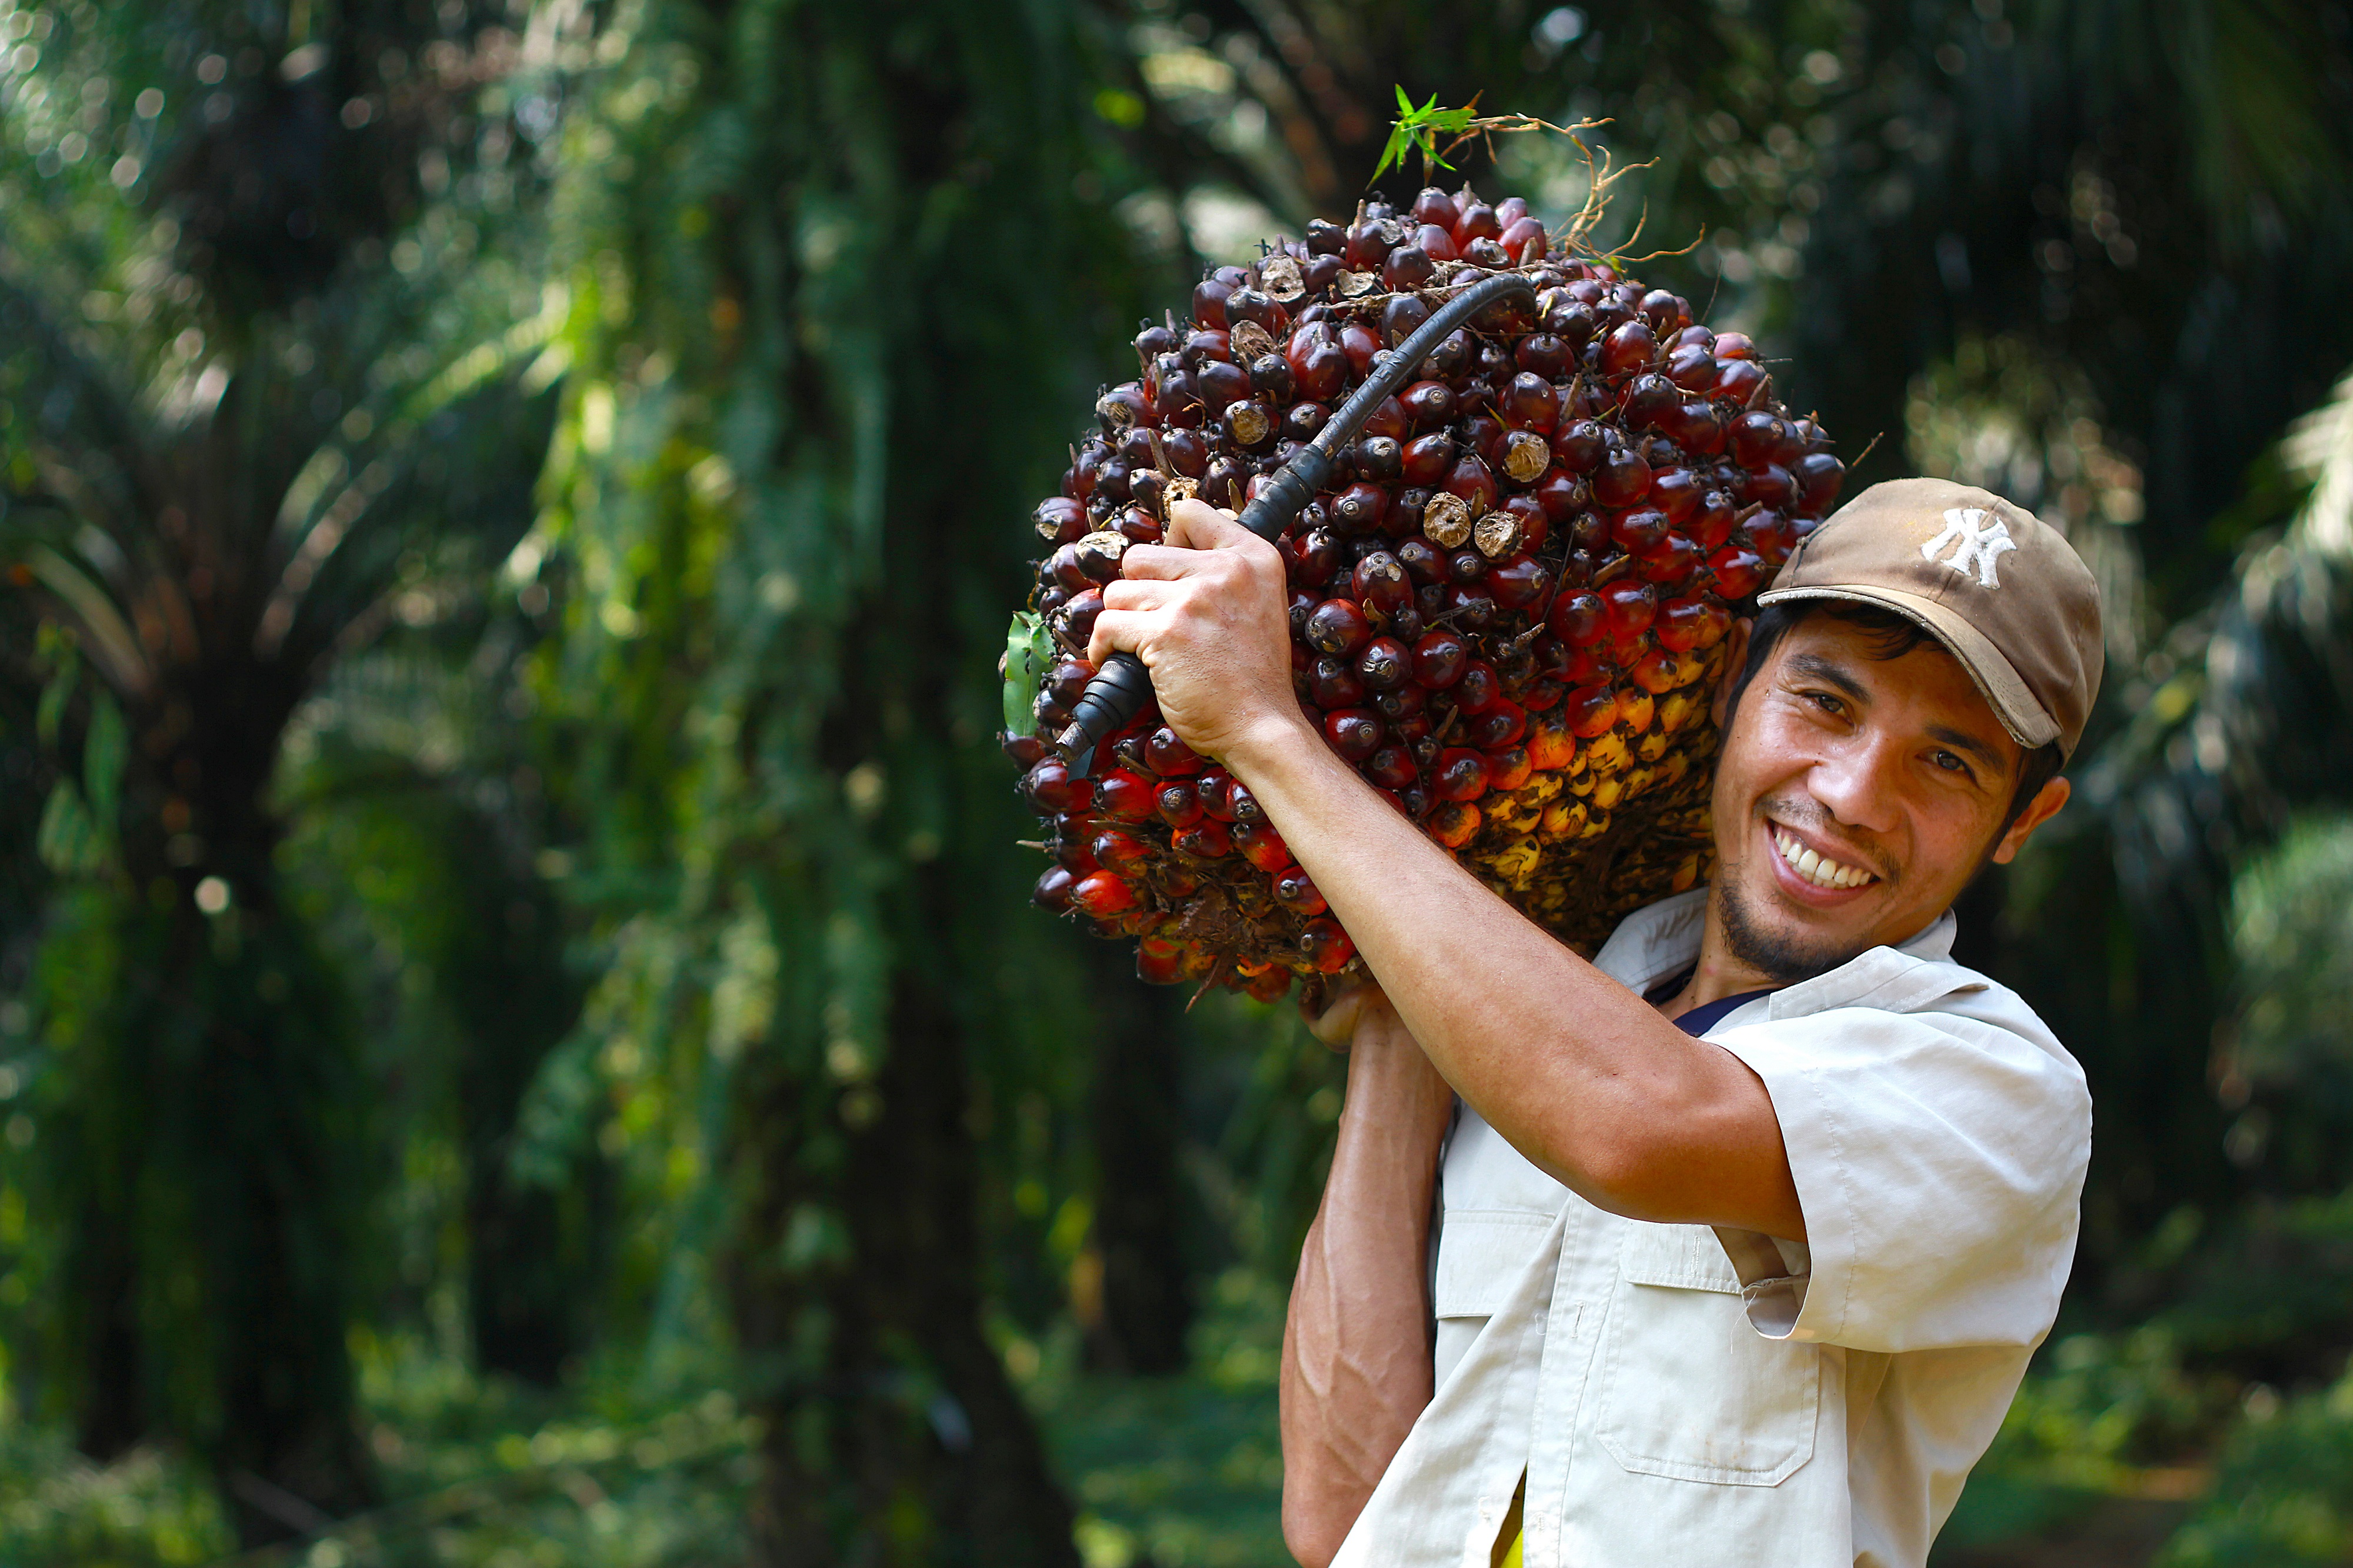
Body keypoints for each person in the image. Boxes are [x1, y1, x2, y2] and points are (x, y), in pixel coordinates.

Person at [1086, 476, 2104, 1567]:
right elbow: (1340, 1520)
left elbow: (1634, 1124)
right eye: (1824, 701)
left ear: (2024, 820)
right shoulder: (1538, 1020)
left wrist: (1267, 730)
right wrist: (1401, 987)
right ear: (1733, 688)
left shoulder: (1994, 1086)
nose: (1852, 793)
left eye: (1946, 761)